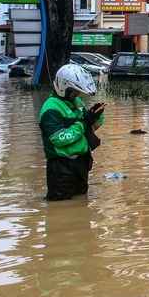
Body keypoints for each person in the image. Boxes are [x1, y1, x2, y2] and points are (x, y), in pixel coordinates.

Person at [39, 63, 105, 201]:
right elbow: (59, 138)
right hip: (61, 168)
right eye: (74, 91)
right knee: (59, 211)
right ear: (65, 88)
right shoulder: (51, 108)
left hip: (81, 164)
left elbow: (89, 129)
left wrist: (96, 116)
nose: (77, 95)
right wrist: (83, 123)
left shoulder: (77, 102)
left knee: (81, 207)